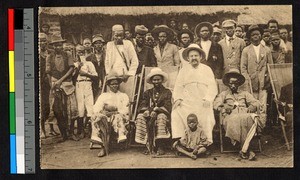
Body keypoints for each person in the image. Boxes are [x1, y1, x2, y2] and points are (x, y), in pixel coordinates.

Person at [214, 68, 265, 160]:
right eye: (231, 83)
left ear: (239, 84)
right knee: (237, 120)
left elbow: (256, 102)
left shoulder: (245, 93)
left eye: (235, 83)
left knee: (252, 118)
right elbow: (216, 104)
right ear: (228, 83)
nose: (233, 85)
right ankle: (247, 149)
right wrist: (224, 107)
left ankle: (243, 149)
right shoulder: (224, 94)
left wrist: (252, 106)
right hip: (231, 115)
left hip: (245, 114)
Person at [171, 46, 217, 146]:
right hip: (187, 100)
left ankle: (205, 141)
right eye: (191, 56)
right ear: (188, 58)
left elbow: (212, 86)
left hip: (202, 100)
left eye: (196, 55)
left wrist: (208, 99)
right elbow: (178, 86)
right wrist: (178, 99)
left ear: (200, 57)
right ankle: (182, 139)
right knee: (176, 111)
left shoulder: (207, 69)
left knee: (206, 112)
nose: (193, 58)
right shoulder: (183, 70)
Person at [45, 33, 79, 141]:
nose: (58, 47)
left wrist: (61, 80)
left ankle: (71, 132)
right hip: (55, 85)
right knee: (57, 110)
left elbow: (71, 69)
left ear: (62, 45)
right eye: (55, 45)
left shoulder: (67, 54)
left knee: (71, 108)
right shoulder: (49, 57)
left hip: (67, 83)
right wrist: (52, 85)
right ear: (53, 46)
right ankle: (63, 134)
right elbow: (48, 72)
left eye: (59, 45)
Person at [135, 68, 172, 155]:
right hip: (150, 113)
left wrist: (157, 110)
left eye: (158, 79)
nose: (156, 82)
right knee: (140, 117)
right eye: (154, 80)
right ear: (151, 81)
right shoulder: (147, 93)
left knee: (161, 117)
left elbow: (168, 106)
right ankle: (148, 145)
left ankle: (160, 146)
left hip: (162, 113)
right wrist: (147, 110)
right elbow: (143, 104)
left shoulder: (167, 92)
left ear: (162, 80)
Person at [91, 72, 130, 157]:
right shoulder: (104, 96)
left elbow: (126, 109)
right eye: (112, 84)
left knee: (117, 117)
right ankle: (102, 146)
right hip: (106, 116)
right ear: (108, 85)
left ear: (119, 84)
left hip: (118, 116)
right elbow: (96, 107)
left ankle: (121, 135)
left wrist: (115, 110)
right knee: (98, 117)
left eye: (116, 84)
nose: (114, 86)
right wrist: (102, 112)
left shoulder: (123, 96)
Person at [240, 24, 273, 112]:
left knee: (263, 104)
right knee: (252, 104)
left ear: (261, 36)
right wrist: (247, 80)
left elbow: (271, 67)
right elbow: (243, 68)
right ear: (250, 37)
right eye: (253, 35)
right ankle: (253, 123)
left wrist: (268, 79)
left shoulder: (267, 50)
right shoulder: (246, 50)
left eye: (257, 34)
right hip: (250, 81)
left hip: (263, 81)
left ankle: (262, 123)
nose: (255, 36)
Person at [74, 44, 98, 139]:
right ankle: (81, 130)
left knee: (90, 106)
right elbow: (72, 77)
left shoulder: (89, 63)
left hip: (88, 84)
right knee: (80, 107)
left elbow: (95, 76)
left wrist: (86, 74)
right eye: (78, 52)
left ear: (85, 52)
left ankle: (90, 129)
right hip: (78, 85)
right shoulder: (75, 64)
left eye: (82, 52)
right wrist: (78, 68)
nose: (80, 54)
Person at [40, 33, 56, 138]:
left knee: (53, 106)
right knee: (43, 106)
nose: (42, 43)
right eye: (40, 41)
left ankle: (51, 129)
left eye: (44, 41)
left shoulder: (52, 53)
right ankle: (42, 130)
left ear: (47, 42)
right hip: (42, 84)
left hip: (52, 82)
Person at [90, 34, 106, 99]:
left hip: (104, 76)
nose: (99, 45)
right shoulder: (90, 57)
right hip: (94, 79)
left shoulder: (107, 55)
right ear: (94, 45)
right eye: (96, 43)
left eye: (100, 43)